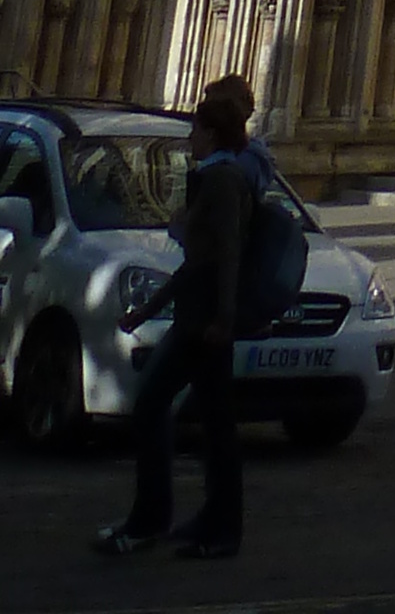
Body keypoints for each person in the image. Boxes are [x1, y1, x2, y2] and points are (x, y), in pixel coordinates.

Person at [95, 77, 263, 560]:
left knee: (155, 407)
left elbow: (225, 254)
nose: (188, 137)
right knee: (215, 422)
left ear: (210, 134)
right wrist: (147, 310)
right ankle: (213, 524)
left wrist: (224, 317)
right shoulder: (214, 177)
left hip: (205, 323)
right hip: (198, 315)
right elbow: (199, 260)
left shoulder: (224, 180)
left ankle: (158, 519)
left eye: (194, 129)